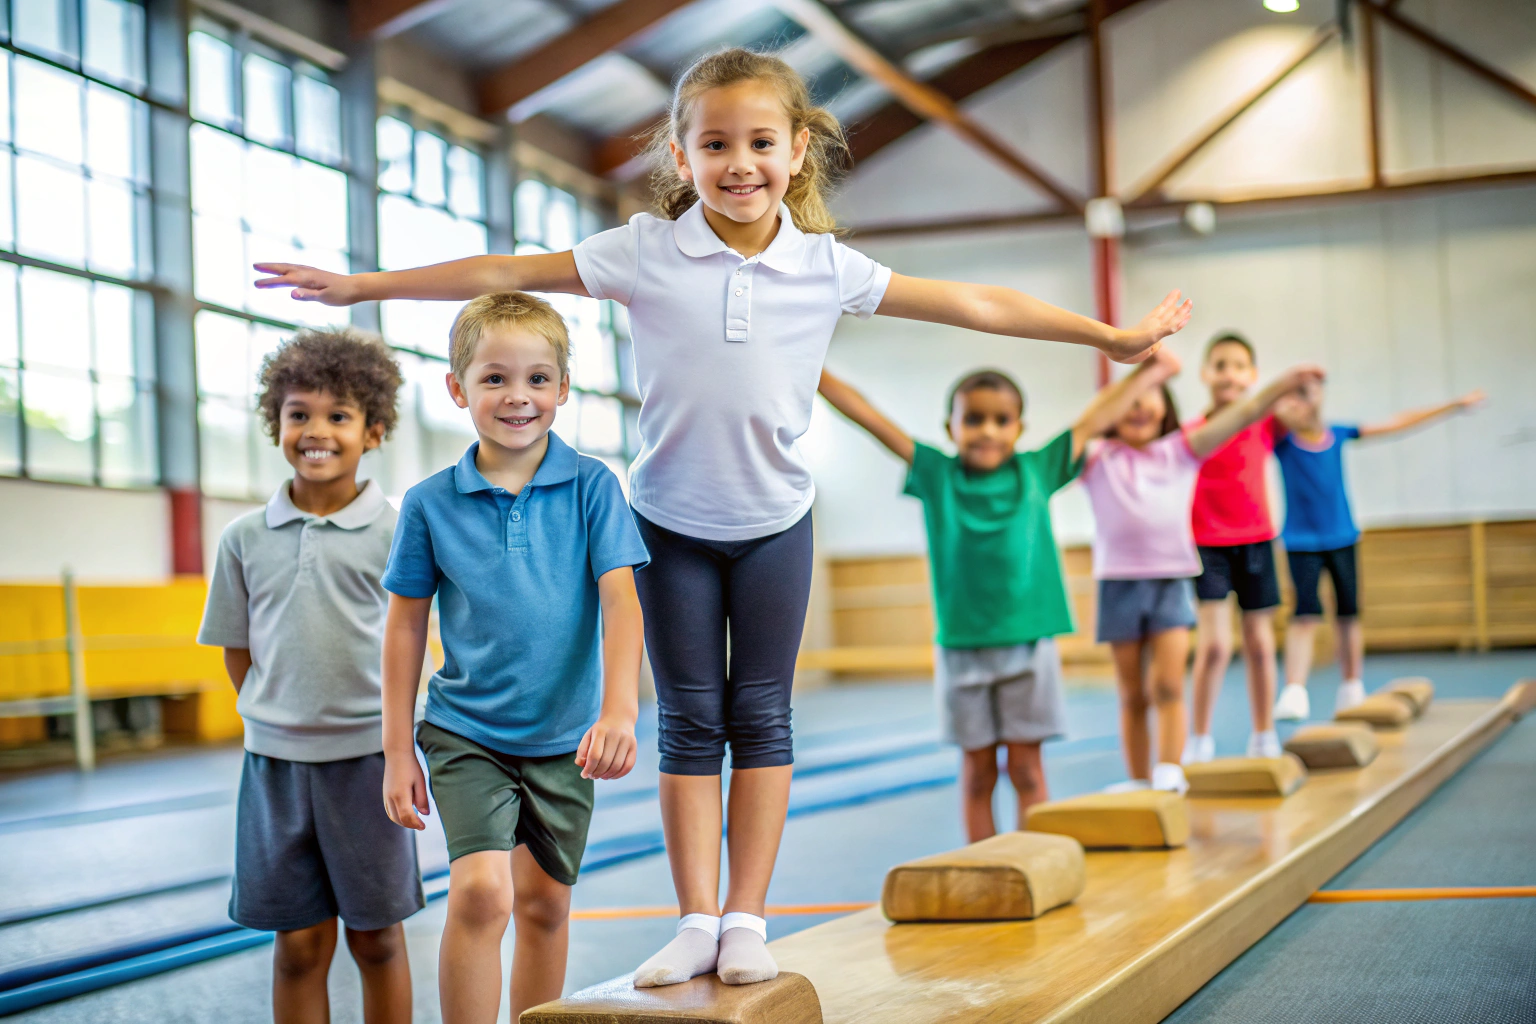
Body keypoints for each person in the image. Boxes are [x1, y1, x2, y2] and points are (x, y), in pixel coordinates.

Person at [253, 47, 1190, 987]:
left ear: (798, 150)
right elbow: (504, 266)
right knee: (691, 722)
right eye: (715, 145)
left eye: (760, 143)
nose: (740, 164)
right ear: (681, 154)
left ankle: (746, 916)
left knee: (764, 717)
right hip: (669, 524)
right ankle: (697, 917)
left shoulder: (825, 266)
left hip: (777, 523)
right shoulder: (644, 251)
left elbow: (974, 302)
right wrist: (364, 288)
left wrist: (1107, 337)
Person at [377, 293, 649, 1022]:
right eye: (494, 378)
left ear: (563, 389)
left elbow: (622, 602)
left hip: (565, 737)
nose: (517, 396)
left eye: (537, 378)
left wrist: (620, 711)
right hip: (466, 732)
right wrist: (397, 750)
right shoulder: (429, 503)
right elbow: (404, 628)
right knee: (480, 893)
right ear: (457, 388)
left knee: (544, 905)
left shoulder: (594, 486)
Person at [817, 357, 1207, 839]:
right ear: (950, 427)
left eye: (1002, 420)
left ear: (1020, 427)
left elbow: (1093, 419)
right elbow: (871, 418)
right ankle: (984, 863)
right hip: (962, 650)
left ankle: (1032, 858)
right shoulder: (938, 474)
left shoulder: (1037, 469)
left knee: (1027, 770)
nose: (988, 431)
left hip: (1029, 648)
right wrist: (815, 370)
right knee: (977, 774)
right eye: (973, 419)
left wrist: (1150, 373)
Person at [197, 327, 420, 1024]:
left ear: (373, 431)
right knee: (296, 946)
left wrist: (396, 742)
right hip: (275, 769)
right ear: (277, 424)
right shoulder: (243, 538)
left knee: (378, 940)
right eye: (299, 414)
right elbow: (237, 649)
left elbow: (413, 641)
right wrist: (276, 715)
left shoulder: (397, 532)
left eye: (338, 415)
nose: (316, 431)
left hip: (369, 764)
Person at [1080, 351, 1325, 792]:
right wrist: (1144, 376)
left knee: (1167, 684)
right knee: (1132, 692)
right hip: (1117, 583)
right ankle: (1139, 781)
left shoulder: (1180, 451)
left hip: (1170, 580)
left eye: (1149, 399)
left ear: (1166, 408)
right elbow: (1085, 424)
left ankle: (1170, 769)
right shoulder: (1098, 458)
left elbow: (1247, 411)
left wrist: (1285, 382)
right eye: (1128, 402)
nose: (1138, 408)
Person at [1271, 385, 1485, 721]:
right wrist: (1277, 407)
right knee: (1305, 615)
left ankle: (1351, 686)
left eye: (1305, 396)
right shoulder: (1281, 441)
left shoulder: (1337, 434)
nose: (1298, 404)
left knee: (1348, 614)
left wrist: (1454, 404)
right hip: (1302, 543)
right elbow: (1248, 423)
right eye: (1290, 398)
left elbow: (1397, 423)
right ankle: (1294, 690)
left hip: (1342, 537)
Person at [1184, 333, 1290, 762]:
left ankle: (1264, 734)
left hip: (1257, 540)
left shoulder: (1263, 424)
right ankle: (1199, 738)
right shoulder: (1193, 431)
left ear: (1253, 375)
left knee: (1260, 644)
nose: (1229, 374)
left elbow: (1302, 414)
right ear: (1205, 374)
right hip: (1206, 545)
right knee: (1214, 646)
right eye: (1220, 365)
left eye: (1239, 366)